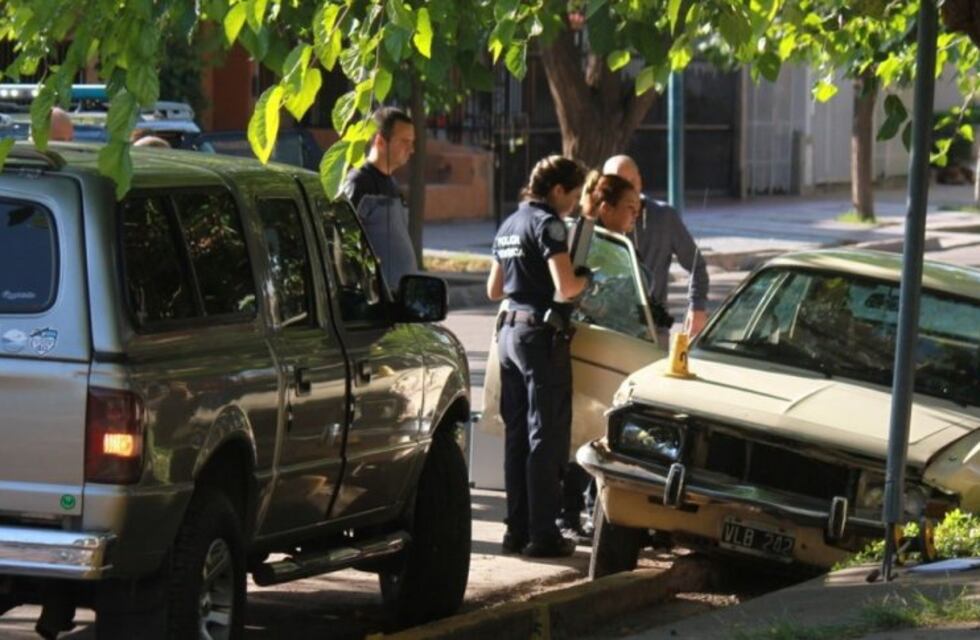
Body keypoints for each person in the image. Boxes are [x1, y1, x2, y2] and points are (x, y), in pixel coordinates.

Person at [487, 155, 591, 558]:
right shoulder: (549, 224)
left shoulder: (509, 224)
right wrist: (587, 278)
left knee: (518, 438)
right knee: (545, 439)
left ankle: (516, 530)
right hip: (539, 338)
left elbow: (494, 291)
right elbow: (566, 287)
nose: (573, 205)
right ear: (558, 190)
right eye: (574, 195)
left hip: (508, 333)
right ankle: (543, 535)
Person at [603, 155, 710, 344]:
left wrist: (697, 306)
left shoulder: (664, 217)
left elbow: (697, 266)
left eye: (632, 182)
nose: (628, 191)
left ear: (640, 182)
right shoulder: (597, 220)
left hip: (653, 332)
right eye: (619, 184)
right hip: (610, 330)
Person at [342, 106, 418, 292]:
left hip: (398, 301)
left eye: (412, 142)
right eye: (405, 142)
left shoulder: (393, 185)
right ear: (380, 141)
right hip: (375, 305)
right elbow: (343, 245)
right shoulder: (358, 183)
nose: (412, 149)